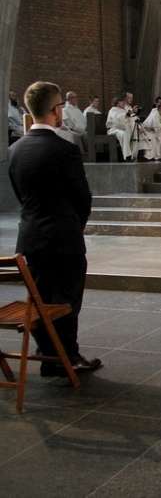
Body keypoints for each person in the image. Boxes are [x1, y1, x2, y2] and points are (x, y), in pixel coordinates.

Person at [7, 81, 101, 376]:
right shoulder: (65, 150)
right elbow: (82, 197)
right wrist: (75, 226)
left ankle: (48, 353)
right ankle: (67, 356)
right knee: (67, 300)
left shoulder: (15, 150)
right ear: (55, 110)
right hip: (63, 237)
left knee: (40, 299)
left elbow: (20, 194)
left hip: (30, 238)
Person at [106, 95, 152, 160]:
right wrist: (129, 113)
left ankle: (137, 154)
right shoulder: (113, 110)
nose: (124, 103)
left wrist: (139, 127)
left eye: (124, 102)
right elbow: (118, 118)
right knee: (123, 134)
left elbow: (133, 118)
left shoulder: (124, 110)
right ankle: (127, 156)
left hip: (124, 128)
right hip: (114, 129)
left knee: (136, 134)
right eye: (122, 102)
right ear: (117, 102)